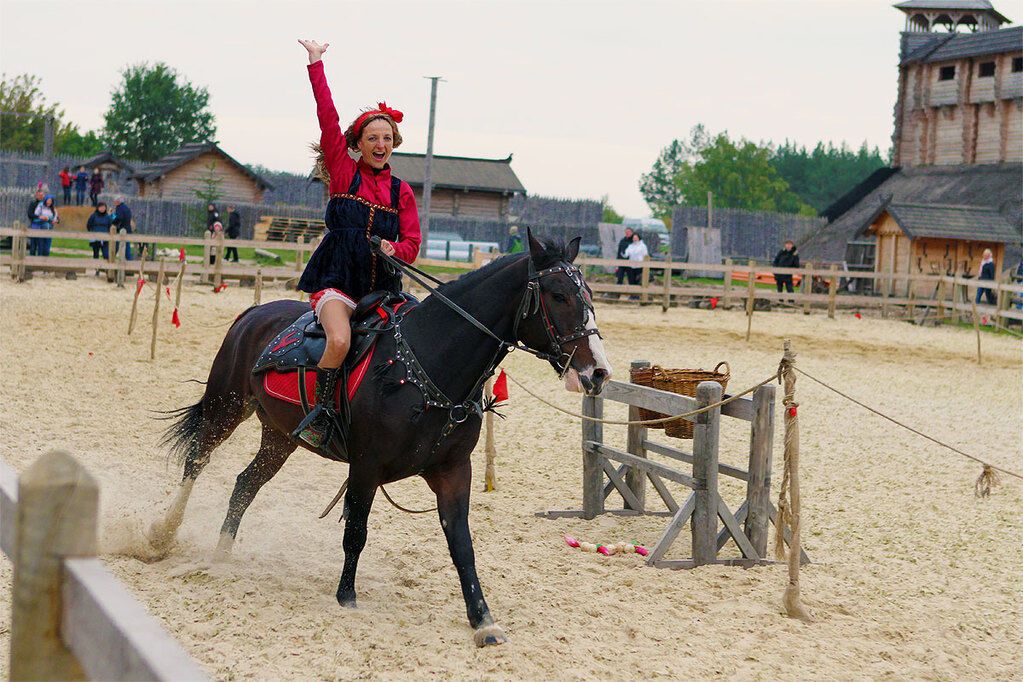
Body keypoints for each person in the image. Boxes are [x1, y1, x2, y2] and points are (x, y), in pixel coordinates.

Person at [292, 38, 422, 450]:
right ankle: (322, 414)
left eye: (386, 137)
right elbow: (326, 115)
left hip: (382, 287)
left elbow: (413, 243)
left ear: (393, 142)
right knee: (341, 341)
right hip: (337, 283)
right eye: (372, 137)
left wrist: (393, 251)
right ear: (359, 143)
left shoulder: (402, 191)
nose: (380, 144)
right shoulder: (342, 168)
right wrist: (316, 64)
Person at [624, 232, 648, 299]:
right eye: (634, 238)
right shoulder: (630, 246)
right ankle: (632, 295)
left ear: (638, 238)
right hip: (631, 266)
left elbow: (645, 255)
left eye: (636, 237)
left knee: (638, 280)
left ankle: (637, 295)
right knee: (631, 280)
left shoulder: (643, 246)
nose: (635, 239)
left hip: (639, 266)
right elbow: (626, 253)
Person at [111, 196, 133, 261]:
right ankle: (130, 262)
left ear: (118, 201)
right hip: (128, 229)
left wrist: (112, 218)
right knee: (127, 247)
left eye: (115, 201)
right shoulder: (126, 208)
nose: (114, 202)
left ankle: (111, 261)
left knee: (116, 246)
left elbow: (119, 217)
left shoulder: (119, 208)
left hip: (122, 230)